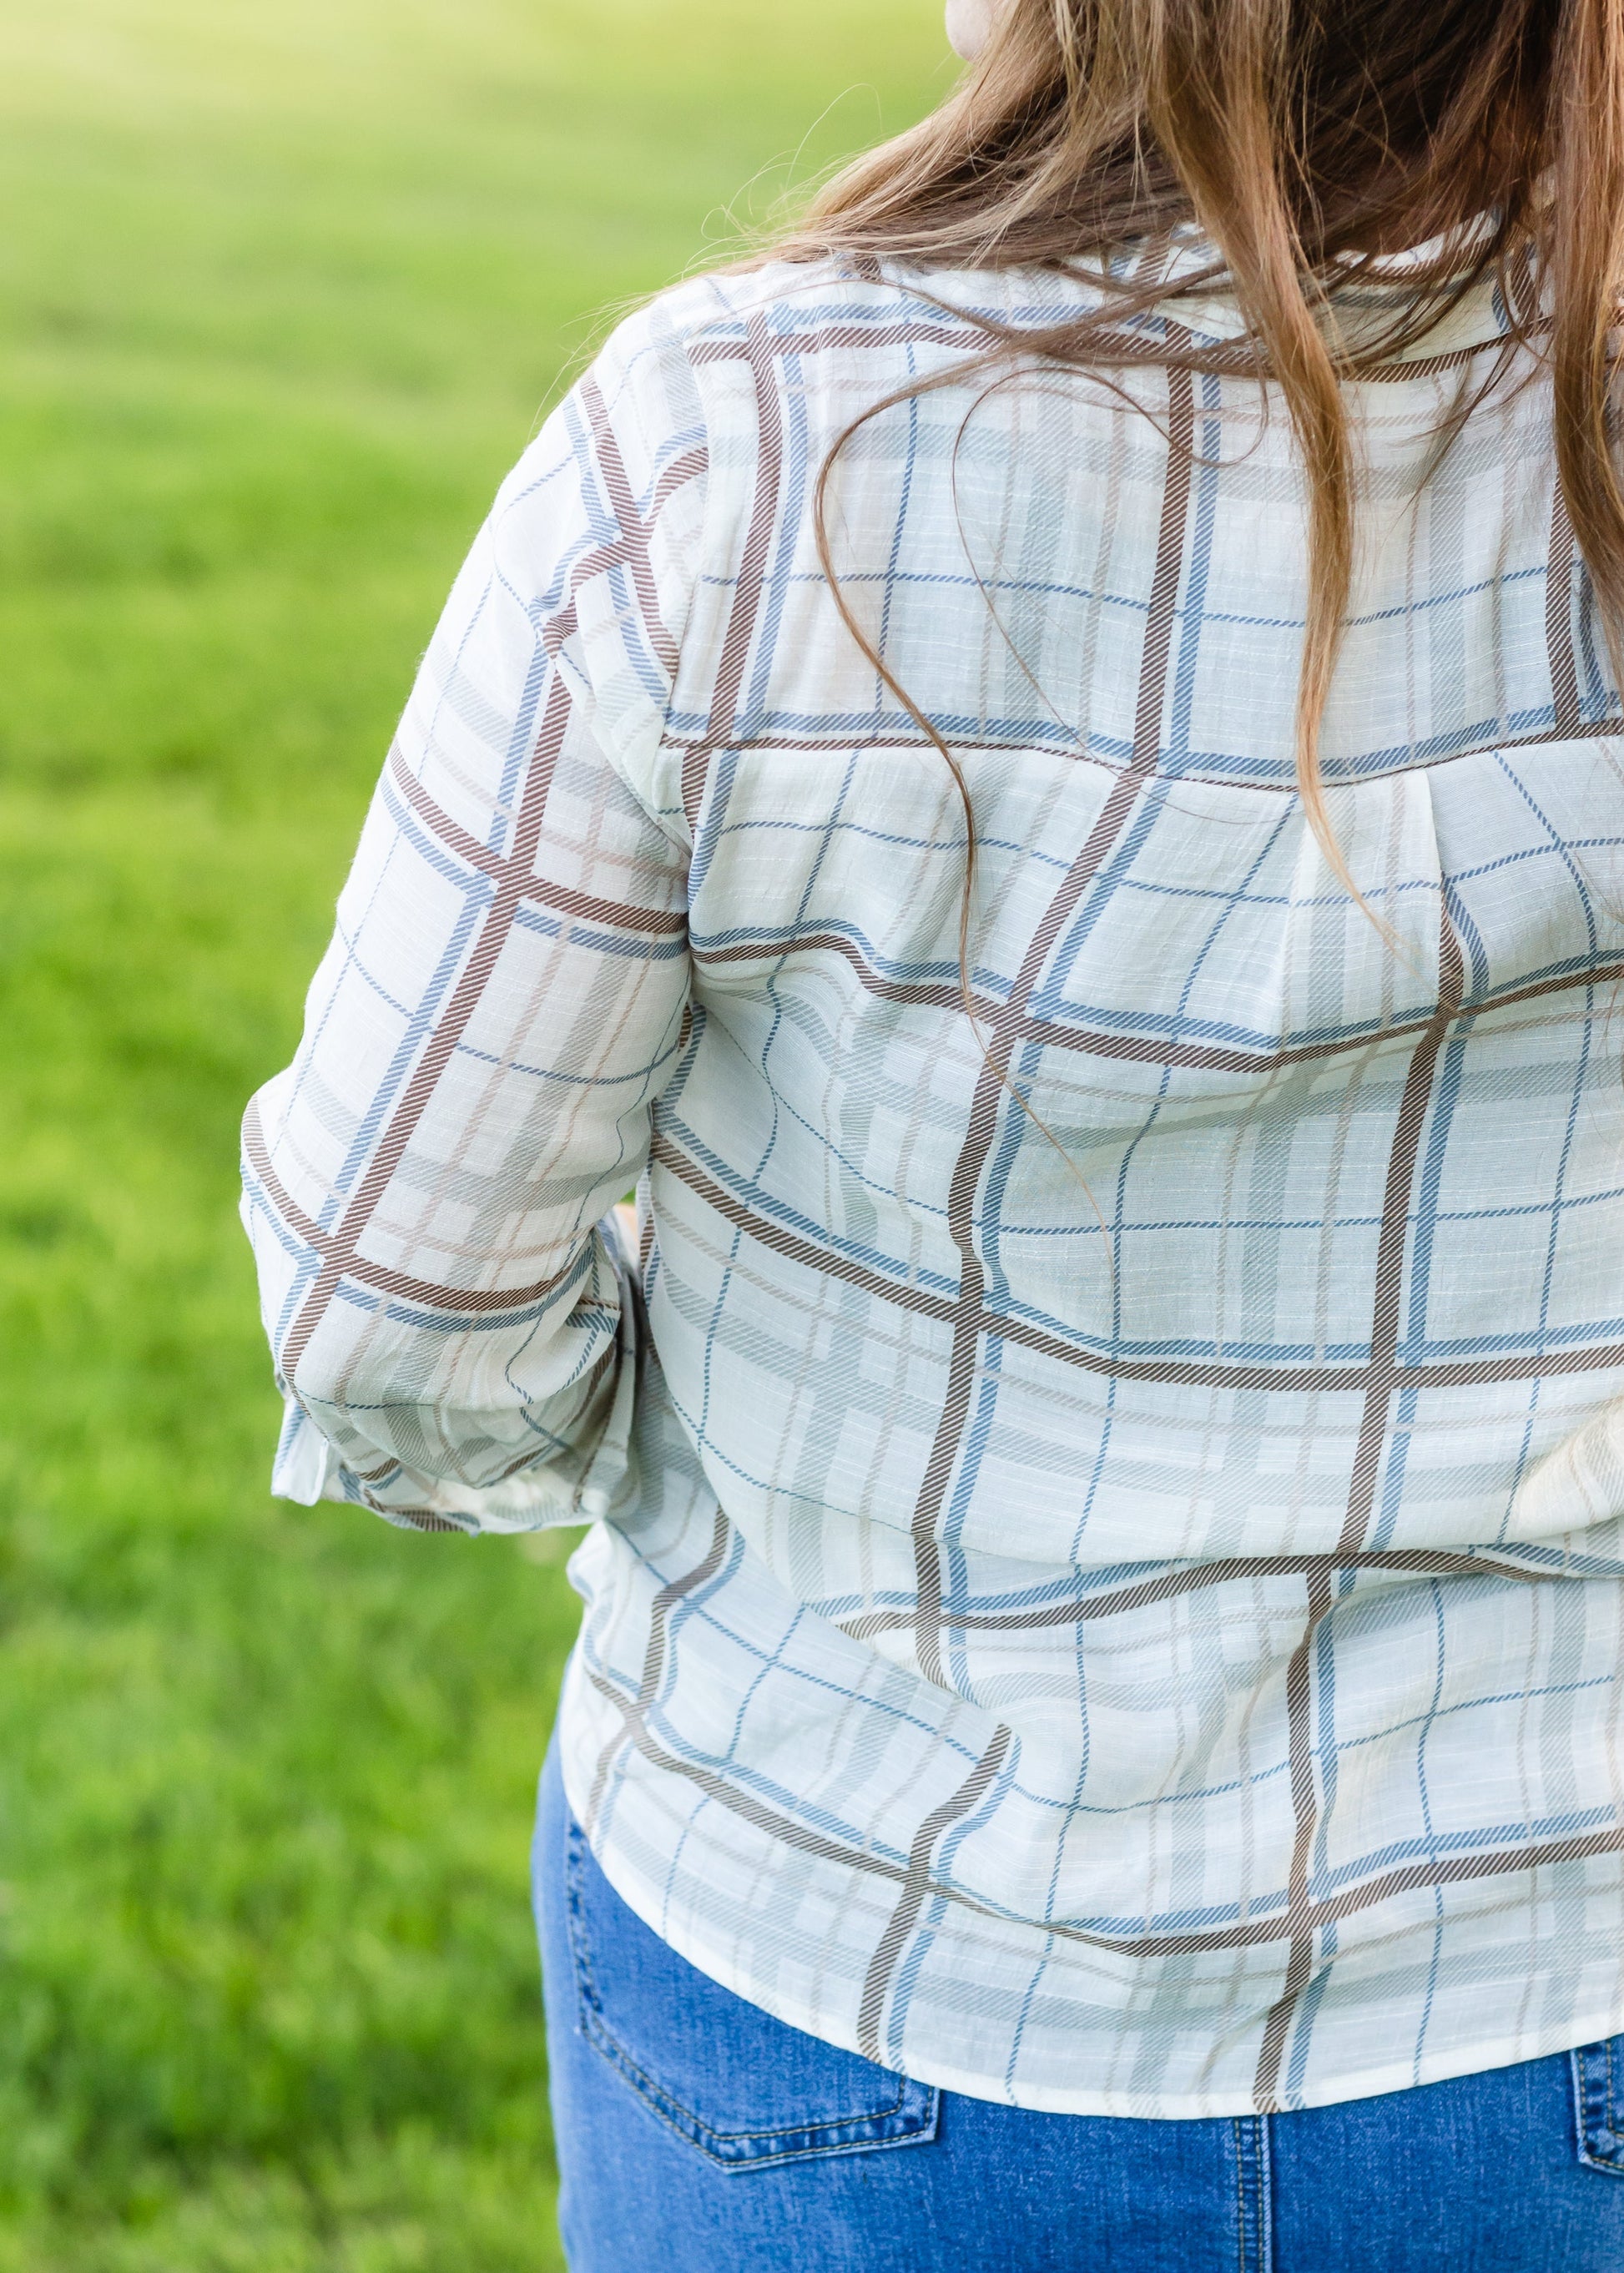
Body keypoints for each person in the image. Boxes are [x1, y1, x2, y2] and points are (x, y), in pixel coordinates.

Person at [241, 0, 1624, 2262]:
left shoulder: (732, 443)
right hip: (1554, 1992)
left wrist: (712, 1467)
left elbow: (391, 1297)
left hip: (847, 1964)